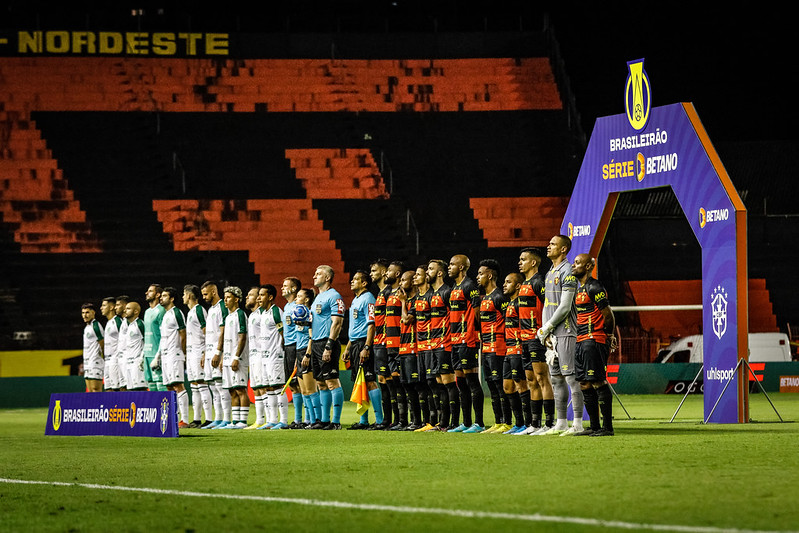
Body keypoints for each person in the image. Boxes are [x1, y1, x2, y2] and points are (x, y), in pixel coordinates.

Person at [538, 235, 583, 436]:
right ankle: (562, 422)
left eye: (553, 244)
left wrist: (547, 326)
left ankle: (579, 424)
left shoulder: (568, 272)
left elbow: (565, 307)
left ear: (564, 249)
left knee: (571, 378)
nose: (548, 246)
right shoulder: (549, 273)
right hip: (551, 335)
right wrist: (544, 330)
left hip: (565, 332)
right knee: (555, 379)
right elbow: (548, 304)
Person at [571, 253, 617, 437]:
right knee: (584, 383)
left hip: (593, 340)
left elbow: (608, 314)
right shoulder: (580, 288)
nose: (574, 266)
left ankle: (607, 428)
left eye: (577, 263)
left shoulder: (594, 287)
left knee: (598, 381)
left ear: (589, 266)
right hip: (581, 340)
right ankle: (594, 426)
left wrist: (609, 335)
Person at [517, 247, 555, 435]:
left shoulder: (539, 282)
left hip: (536, 338)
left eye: (523, 259)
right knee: (531, 380)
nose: (520, 262)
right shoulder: (524, 284)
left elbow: (549, 307)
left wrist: (546, 332)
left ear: (533, 262)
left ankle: (549, 423)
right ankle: (535, 424)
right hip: (524, 339)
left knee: (542, 378)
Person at [447, 254, 485, 433]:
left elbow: (477, 311)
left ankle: (479, 423)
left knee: (472, 381)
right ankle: (467, 422)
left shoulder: (469, 286)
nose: (449, 267)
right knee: (460, 383)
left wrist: (474, 332)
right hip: (455, 340)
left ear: (462, 267)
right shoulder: (455, 287)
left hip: (467, 340)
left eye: (453, 264)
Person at [344, 270, 383, 430]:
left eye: (356, 279)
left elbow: (371, 324)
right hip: (355, 345)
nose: (352, 281)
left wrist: (367, 346)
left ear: (364, 283)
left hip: (363, 344)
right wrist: (348, 347)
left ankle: (379, 420)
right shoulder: (356, 300)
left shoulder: (368, 299)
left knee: (370, 380)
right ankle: (364, 421)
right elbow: (355, 328)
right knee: (361, 382)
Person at [308, 265, 346, 430]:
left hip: (326, 342)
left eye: (319, 274)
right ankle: (324, 420)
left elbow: (337, 323)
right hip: (316, 342)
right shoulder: (318, 297)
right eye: (315, 273)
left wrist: (329, 346)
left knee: (331, 381)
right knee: (321, 383)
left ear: (328, 278)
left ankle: (336, 422)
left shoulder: (334, 296)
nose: (315, 276)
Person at [476, 259, 511, 434]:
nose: (478, 277)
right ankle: (497, 422)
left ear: (489, 276)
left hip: (499, 348)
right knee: (491, 385)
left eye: (481, 274)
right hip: (487, 348)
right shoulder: (485, 299)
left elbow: (509, 321)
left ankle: (507, 421)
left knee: (500, 386)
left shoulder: (499, 297)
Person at [152, 286, 190, 429]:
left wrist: (183, 352)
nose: (161, 298)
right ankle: (173, 417)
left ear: (172, 298)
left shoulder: (176, 313)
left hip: (175, 354)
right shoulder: (166, 315)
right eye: (161, 296)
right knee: (169, 386)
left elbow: (183, 333)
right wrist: (158, 356)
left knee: (178, 385)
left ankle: (185, 420)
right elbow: (163, 338)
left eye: (165, 296)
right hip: (166, 356)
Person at [427, 259, 457, 431]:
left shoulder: (447, 292)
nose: (427, 272)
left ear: (439, 273)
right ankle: (443, 422)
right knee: (438, 382)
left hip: (445, 344)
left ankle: (452, 422)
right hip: (434, 343)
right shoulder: (432, 293)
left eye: (431, 269)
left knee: (448, 382)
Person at [411, 265, 438, 432]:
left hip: (431, 345)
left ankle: (437, 422)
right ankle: (428, 421)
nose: (415, 277)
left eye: (418, 274)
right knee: (422, 384)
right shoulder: (417, 299)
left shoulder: (430, 296)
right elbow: (407, 319)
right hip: (420, 347)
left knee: (432, 383)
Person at [259, 284, 289, 430]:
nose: (259, 298)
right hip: (264, 357)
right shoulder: (263, 313)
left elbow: (284, 333)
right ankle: (272, 420)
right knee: (268, 388)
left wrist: (281, 351)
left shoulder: (276, 312)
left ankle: (283, 420)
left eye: (262, 295)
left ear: (270, 297)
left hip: (275, 355)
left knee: (278, 387)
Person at [220, 286, 250, 429]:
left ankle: (243, 422)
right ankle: (235, 421)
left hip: (238, 358)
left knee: (240, 389)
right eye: (224, 297)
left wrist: (236, 357)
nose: (225, 300)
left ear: (236, 299)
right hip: (227, 358)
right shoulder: (227, 316)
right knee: (231, 390)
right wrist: (223, 358)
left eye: (229, 297)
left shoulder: (240, 314)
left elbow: (242, 336)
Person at [201, 280, 230, 429]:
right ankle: (218, 419)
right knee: (212, 386)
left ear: (214, 291)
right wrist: (205, 353)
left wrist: (219, 352)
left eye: (206, 294)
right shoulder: (211, 309)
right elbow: (210, 335)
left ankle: (226, 418)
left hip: (218, 352)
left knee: (220, 386)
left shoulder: (222, 308)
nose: (204, 297)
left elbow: (223, 331)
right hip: (209, 352)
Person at [502, 273, 528, 434]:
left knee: (521, 385)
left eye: (508, 282)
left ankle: (528, 422)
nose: (504, 285)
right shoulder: (509, 303)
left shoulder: (521, 304)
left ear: (518, 286)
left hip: (518, 349)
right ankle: (518, 423)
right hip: (508, 349)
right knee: (507, 387)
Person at [369, 259, 393, 429]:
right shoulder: (380, 293)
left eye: (374, 270)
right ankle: (386, 420)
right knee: (382, 380)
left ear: (384, 273)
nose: (371, 273)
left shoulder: (390, 292)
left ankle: (394, 419)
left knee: (390, 381)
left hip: (388, 343)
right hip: (379, 343)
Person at [384, 261, 408, 430]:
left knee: (401, 384)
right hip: (389, 344)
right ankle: (397, 420)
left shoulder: (403, 294)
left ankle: (405, 420)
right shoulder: (387, 293)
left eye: (389, 271)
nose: (386, 274)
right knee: (393, 383)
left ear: (398, 274)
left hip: (401, 344)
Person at [397, 270, 422, 430]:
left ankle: (419, 421)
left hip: (414, 349)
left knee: (416, 386)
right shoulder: (409, 300)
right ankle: (413, 421)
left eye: (403, 280)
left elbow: (406, 320)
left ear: (412, 281)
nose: (400, 284)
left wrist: (403, 302)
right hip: (404, 348)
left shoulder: (415, 301)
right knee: (407, 386)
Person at [184, 284, 211, 428]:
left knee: (201, 384)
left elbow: (206, 331)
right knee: (194, 385)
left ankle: (209, 419)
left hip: (199, 351)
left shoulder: (199, 310)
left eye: (184, 294)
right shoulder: (190, 312)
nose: (183, 297)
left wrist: (205, 353)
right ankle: (196, 419)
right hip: (191, 352)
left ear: (189, 295)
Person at [281, 277, 305, 429]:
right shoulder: (287, 306)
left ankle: (308, 418)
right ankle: (297, 419)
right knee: (293, 385)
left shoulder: (298, 307)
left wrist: (298, 352)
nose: (282, 288)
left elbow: (300, 330)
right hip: (288, 347)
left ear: (294, 288)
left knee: (302, 385)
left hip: (296, 346)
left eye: (285, 286)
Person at [296, 288, 321, 428]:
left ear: (306, 300)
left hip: (306, 353)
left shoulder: (309, 314)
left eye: (299, 296)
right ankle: (309, 421)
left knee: (311, 390)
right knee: (304, 391)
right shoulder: (298, 315)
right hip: (299, 353)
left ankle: (317, 420)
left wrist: (308, 353)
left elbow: (311, 336)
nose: (296, 299)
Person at [245, 287, 268, 429]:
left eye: (251, 295)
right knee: (255, 388)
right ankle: (259, 420)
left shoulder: (262, 315)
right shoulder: (252, 315)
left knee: (263, 387)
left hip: (261, 354)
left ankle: (269, 419)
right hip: (252, 355)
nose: (248, 297)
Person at [143, 284, 166, 391]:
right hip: (147, 355)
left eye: (150, 291)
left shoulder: (161, 311)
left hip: (157, 355)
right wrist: (142, 355)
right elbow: (147, 334)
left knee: (161, 389)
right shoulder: (147, 312)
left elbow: (164, 335)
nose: (147, 293)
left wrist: (158, 356)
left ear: (158, 295)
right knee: (152, 389)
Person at [121, 301, 147, 391]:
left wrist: (142, 358)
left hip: (137, 363)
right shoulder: (129, 326)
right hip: (128, 363)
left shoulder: (140, 324)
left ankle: (144, 406)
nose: (125, 310)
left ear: (136, 311)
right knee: (131, 391)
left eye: (128, 309)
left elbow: (147, 341)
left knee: (140, 389)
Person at [100, 296, 123, 392]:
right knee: (108, 388)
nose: (101, 308)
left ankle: (122, 406)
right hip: (107, 360)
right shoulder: (108, 323)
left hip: (115, 359)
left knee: (117, 388)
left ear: (111, 307)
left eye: (104, 305)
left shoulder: (118, 321)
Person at [80, 303, 104, 392]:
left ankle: (100, 406)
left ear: (93, 313)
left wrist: (103, 358)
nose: (84, 315)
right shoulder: (87, 327)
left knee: (96, 389)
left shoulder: (96, 325)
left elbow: (103, 343)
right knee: (89, 391)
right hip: (87, 362)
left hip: (95, 362)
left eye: (87, 312)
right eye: (83, 313)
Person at [114, 295, 130, 391]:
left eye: (118, 305)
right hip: (121, 359)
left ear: (125, 306)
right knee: (122, 386)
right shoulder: (124, 321)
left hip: (128, 359)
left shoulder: (130, 322)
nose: (116, 307)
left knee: (129, 386)